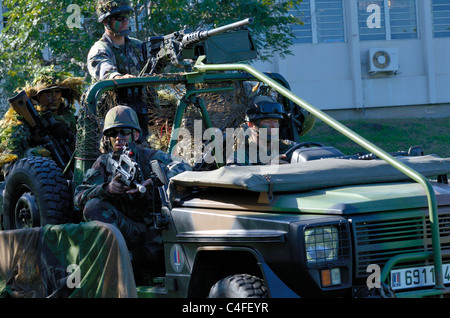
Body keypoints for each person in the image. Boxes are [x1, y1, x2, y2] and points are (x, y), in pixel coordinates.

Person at [74, 105, 191, 268]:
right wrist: (107, 189)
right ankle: (117, 259)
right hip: (125, 229)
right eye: (113, 134)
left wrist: (154, 181)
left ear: (135, 135)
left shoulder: (150, 157)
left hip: (155, 229)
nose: (119, 138)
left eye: (124, 133)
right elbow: (78, 197)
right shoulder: (104, 163)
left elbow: (185, 168)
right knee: (92, 206)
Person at [0, 66, 84, 179]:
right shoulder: (23, 118)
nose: (53, 98)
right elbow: (10, 154)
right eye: (48, 93)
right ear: (38, 96)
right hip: (34, 175)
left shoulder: (69, 118)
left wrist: (69, 137)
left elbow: (80, 150)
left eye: (57, 92)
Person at [87, 0, 152, 142]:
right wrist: (116, 76)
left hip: (140, 115)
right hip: (111, 122)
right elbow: (103, 68)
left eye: (126, 17)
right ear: (106, 22)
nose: (124, 22)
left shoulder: (138, 46)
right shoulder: (99, 49)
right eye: (119, 18)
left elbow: (153, 72)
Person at [226, 95, 296, 166]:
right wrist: (266, 171)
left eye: (275, 121)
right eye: (267, 121)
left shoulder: (289, 147)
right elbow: (232, 175)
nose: (273, 126)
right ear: (251, 125)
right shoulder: (240, 157)